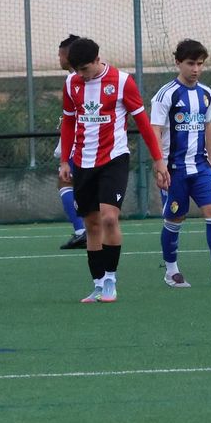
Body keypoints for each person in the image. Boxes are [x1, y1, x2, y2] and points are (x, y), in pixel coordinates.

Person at [58, 37, 170, 303]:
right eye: (76, 71)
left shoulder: (122, 82)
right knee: (92, 224)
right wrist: (65, 160)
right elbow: (68, 123)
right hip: (82, 161)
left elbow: (143, 123)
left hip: (114, 159)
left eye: (85, 69)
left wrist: (158, 160)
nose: (81, 76)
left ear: (98, 60)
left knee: (109, 218)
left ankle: (110, 279)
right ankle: (97, 284)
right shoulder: (71, 83)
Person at [149, 39, 211, 288]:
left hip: (201, 168)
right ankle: (171, 271)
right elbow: (155, 131)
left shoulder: (206, 93)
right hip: (174, 169)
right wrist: (159, 165)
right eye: (191, 63)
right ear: (178, 62)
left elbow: (207, 127)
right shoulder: (166, 94)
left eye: (200, 64)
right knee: (175, 219)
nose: (196, 69)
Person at [53, 35, 89, 249]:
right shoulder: (78, 78)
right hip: (80, 141)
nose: (58, 58)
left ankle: (83, 230)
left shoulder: (76, 79)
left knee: (66, 182)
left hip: (80, 143)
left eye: (60, 54)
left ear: (68, 55)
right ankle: (85, 229)